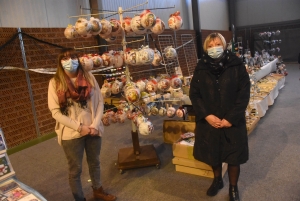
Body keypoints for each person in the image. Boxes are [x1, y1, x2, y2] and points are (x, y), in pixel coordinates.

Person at [48, 48, 116, 201]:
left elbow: (99, 103)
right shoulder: (55, 83)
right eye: (65, 58)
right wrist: (79, 127)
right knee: (75, 170)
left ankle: (98, 191)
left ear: (78, 59)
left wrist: (95, 124)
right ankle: (80, 198)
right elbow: (56, 113)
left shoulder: (89, 77)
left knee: (95, 163)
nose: (69, 61)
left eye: (72, 57)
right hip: (71, 134)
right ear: (60, 62)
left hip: (92, 129)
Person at [189, 33, 250, 201]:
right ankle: (217, 180)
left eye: (217, 44)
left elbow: (244, 93)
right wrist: (206, 115)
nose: (214, 48)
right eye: (210, 45)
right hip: (210, 120)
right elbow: (194, 94)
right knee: (212, 152)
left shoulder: (236, 65)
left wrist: (231, 117)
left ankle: (233, 187)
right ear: (206, 48)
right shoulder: (201, 67)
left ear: (223, 46)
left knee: (233, 156)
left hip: (232, 120)